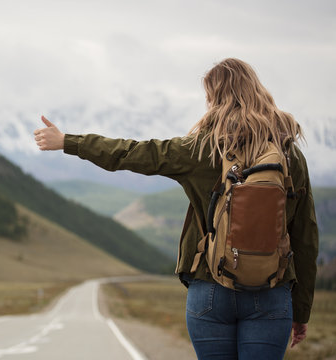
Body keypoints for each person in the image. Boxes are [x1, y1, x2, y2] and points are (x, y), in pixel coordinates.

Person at [33, 58, 318, 359]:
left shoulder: (200, 149)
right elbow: (305, 235)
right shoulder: (290, 156)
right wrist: (301, 310)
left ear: (214, 98)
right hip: (272, 293)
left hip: (210, 288)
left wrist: (68, 141)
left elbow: (130, 153)